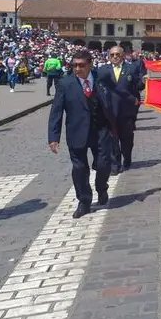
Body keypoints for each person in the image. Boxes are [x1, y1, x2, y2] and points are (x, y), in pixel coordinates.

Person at [48, 50, 116, 219]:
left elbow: (115, 99)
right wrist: (53, 137)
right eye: (74, 65)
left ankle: (102, 187)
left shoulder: (102, 78)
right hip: (76, 131)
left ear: (90, 64)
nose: (77, 69)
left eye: (81, 65)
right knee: (79, 168)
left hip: (100, 129)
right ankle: (84, 201)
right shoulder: (65, 84)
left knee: (103, 163)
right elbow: (56, 111)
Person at [98, 46, 144, 174]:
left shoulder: (131, 68)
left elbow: (137, 87)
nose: (114, 57)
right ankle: (115, 164)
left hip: (126, 111)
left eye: (117, 54)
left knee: (127, 139)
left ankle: (127, 157)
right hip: (109, 111)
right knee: (112, 139)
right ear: (108, 56)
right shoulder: (102, 70)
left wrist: (144, 82)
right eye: (112, 55)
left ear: (123, 55)